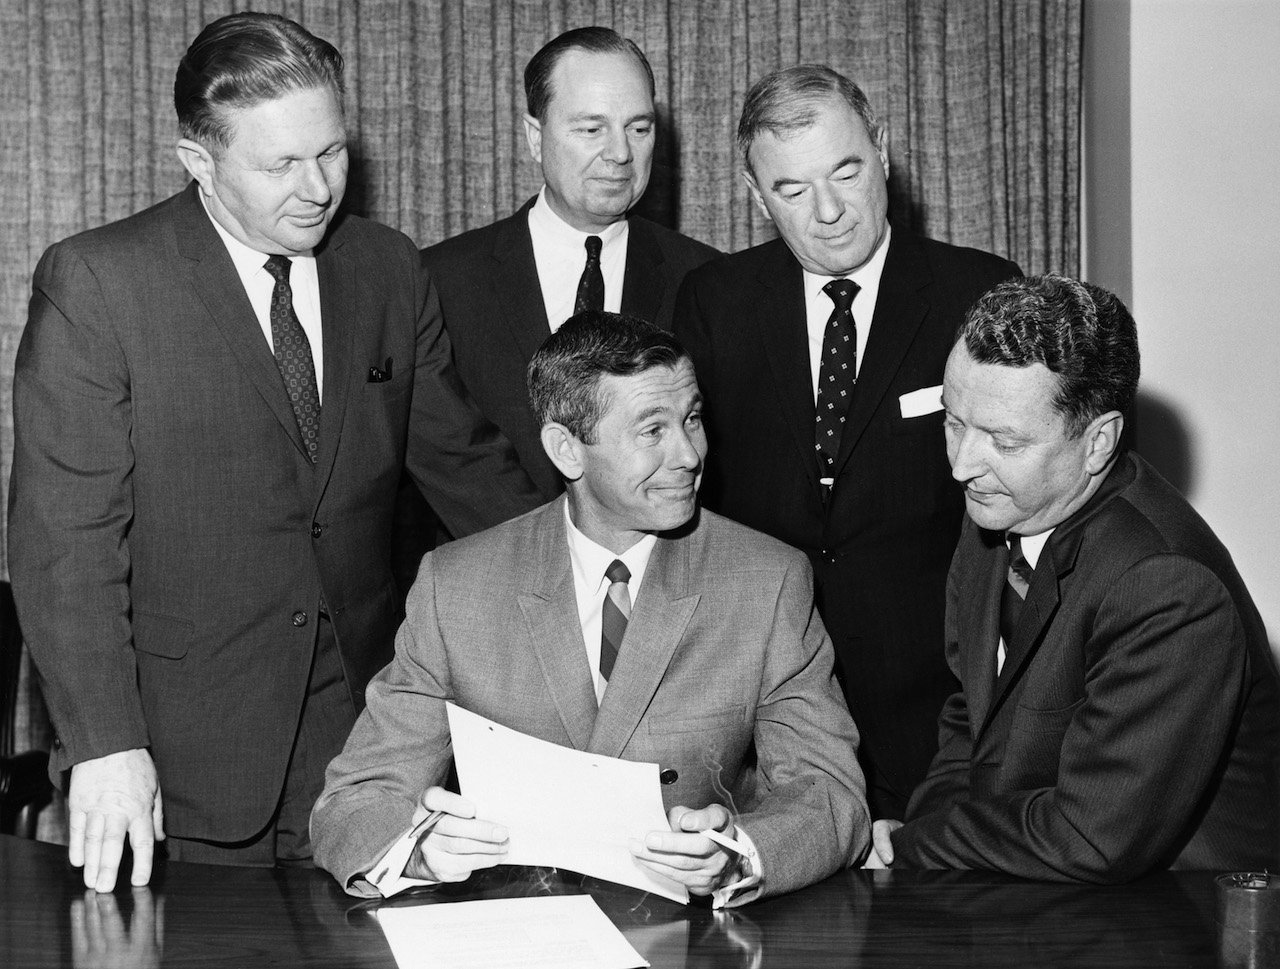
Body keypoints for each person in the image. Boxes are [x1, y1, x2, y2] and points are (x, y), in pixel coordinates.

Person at [7, 12, 540, 892]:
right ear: (197, 161)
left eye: (330, 152)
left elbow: (471, 471)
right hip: (180, 759)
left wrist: (608, 577)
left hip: (365, 752)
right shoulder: (100, 284)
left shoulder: (387, 270)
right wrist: (106, 742)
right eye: (280, 164)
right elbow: (64, 543)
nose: (319, 188)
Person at [311, 312, 870, 904]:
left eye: (693, 420)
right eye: (652, 431)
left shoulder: (767, 580)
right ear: (566, 450)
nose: (689, 455)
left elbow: (829, 793)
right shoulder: (458, 586)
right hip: (514, 928)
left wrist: (738, 857)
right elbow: (355, 800)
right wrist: (417, 851)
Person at [674, 65, 1021, 818]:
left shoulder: (979, 294)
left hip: (937, 707)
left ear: (884, 152)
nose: (828, 211)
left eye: (846, 171)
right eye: (792, 190)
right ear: (755, 195)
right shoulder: (714, 303)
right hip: (762, 717)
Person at [866, 275, 1280, 880]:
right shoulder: (1004, 501)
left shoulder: (1168, 586)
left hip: (1182, 915)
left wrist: (918, 846)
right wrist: (924, 829)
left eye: (1005, 440)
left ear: (1098, 443)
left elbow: (1095, 835)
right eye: (955, 423)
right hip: (1044, 881)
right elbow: (972, 719)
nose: (961, 465)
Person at [421, 27, 719, 501]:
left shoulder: (708, 280)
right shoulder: (439, 281)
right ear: (535, 137)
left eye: (638, 129)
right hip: (492, 564)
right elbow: (445, 457)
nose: (621, 153)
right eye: (591, 129)